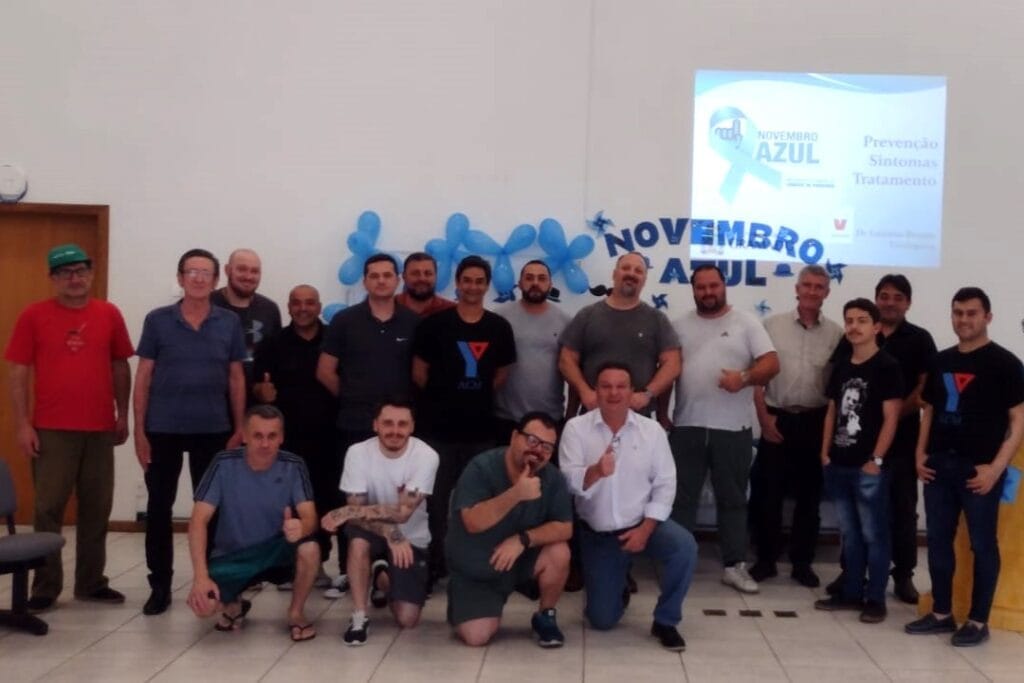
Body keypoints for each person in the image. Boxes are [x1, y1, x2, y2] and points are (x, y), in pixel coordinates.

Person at [4, 243, 134, 611]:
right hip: (51, 429)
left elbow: (120, 365)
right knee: (48, 508)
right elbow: (18, 371)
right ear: (53, 278)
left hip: (99, 428)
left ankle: (91, 582)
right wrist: (23, 424)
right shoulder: (34, 316)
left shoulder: (109, 313)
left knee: (97, 507)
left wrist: (122, 415)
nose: (74, 279)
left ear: (91, 274)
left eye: (80, 271)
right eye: (65, 273)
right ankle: (45, 586)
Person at [905, 287, 1024, 647]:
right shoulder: (940, 361)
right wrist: (920, 455)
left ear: (988, 317)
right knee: (938, 541)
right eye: (958, 313)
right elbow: (929, 411)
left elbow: (1018, 420)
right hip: (939, 466)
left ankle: (977, 621)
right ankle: (942, 614)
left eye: (971, 313)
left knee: (983, 544)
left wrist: (995, 469)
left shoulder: (1005, 363)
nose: (963, 320)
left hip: (980, 470)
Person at [134, 248, 247, 616]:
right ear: (180, 278)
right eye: (191, 272)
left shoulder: (229, 322)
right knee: (158, 508)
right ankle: (160, 586)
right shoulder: (157, 320)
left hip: (213, 429)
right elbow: (144, 376)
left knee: (212, 510)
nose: (198, 278)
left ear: (216, 280)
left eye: (205, 273)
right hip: (162, 428)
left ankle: (213, 581)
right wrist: (139, 431)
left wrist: (240, 426)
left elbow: (236, 377)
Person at [560, 362, 697, 650]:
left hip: (642, 524)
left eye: (621, 386)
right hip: (598, 534)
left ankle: (666, 620)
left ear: (632, 391)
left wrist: (646, 530)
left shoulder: (652, 431)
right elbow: (569, 481)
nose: (613, 393)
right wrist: (596, 471)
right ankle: (619, 582)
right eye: (606, 386)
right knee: (602, 620)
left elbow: (665, 484)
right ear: (595, 391)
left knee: (684, 547)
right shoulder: (576, 428)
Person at [666, 265, 778, 595]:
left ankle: (734, 566)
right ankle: (679, 563)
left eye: (713, 285)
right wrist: (661, 414)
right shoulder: (678, 326)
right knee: (681, 499)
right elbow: (668, 371)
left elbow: (771, 364)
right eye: (701, 287)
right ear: (693, 290)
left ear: (723, 285)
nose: (708, 292)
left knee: (733, 500)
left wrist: (743, 378)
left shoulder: (746, 322)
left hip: (732, 428)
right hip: (687, 425)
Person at [825, 274, 936, 604]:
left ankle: (902, 576)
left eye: (897, 297)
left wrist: (890, 413)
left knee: (901, 512)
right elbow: (837, 392)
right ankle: (851, 576)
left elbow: (926, 386)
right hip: (852, 447)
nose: (890, 302)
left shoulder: (919, 339)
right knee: (855, 521)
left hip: (899, 443)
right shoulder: (850, 342)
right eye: (884, 296)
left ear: (908, 303)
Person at [317, 253, 419, 596]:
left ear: (397, 280)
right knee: (354, 498)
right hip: (354, 423)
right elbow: (325, 371)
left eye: (387, 275)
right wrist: (351, 397)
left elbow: (420, 374)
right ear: (365, 281)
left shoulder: (412, 322)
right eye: (374, 275)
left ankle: (393, 566)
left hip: (399, 431)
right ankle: (350, 569)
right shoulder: (345, 321)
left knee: (396, 497)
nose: (381, 281)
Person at [412, 255, 516, 580]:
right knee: (436, 503)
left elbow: (501, 374)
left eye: (479, 281)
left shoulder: (498, 328)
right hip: (437, 431)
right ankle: (434, 565)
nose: (472, 287)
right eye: (467, 280)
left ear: (487, 286)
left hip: (480, 431)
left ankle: (473, 565)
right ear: (457, 284)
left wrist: (473, 395)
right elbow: (419, 373)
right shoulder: (434, 325)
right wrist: (446, 397)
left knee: (478, 502)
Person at [185, 405, 320, 642]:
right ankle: (234, 605)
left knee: (310, 548)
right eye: (258, 436)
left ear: (281, 437)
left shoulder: (294, 465)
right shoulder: (223, 463)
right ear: (245, 436)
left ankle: (296, 613)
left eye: (272, 436)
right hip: (233, 555)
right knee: (203, 607)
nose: (265, 444)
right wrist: (200, 577)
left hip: (276, 550)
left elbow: (310, 517)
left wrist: (301, 527)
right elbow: (198, 521)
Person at [749, 265, 843, 587]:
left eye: (819, 287)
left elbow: (837, 387)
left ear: (827, 292)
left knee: (809, 497)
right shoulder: (772, 326)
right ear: (797, 289)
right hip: (778, 417)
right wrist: (764, 419)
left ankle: (802, 563)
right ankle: (765, 560)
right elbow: (757, 378)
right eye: (807, 285)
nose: (812, 292)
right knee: (769, 494)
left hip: (816, 421)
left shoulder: (836, 334)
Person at [445, 411, 572, 648]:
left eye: (546, 447)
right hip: (478, 569)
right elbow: (472, 521)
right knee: (476, 637)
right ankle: (467, 602)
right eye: (532, 440)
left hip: (520, 559)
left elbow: (565, 527)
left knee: (559, 551)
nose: (538, 450)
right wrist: (516, 494)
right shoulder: (481, 468)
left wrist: (523, 540)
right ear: (514, 437)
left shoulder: (552, 477)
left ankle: (545, 615)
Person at [813, 299, 902, 624]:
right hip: (838, 462)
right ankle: (851, 592)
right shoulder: (842, 366)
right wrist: (825, 453)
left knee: (874, 534)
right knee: (849, 534)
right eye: (849, 320)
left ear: (876, 326)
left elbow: (891, 417)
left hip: (869, 467)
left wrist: (876, 459)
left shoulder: (887, 366)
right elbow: (832, 411)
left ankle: (875, 598)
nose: (853, 326)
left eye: (862, 320)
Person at [321, 401, 439, 645]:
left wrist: (348, 510)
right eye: (388, 423)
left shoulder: (426, 456)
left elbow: (403, 513)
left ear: (412, 427)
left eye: (402, 424)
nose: (395, 430)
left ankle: (380, 576)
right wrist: (389, 531)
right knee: (358, 543)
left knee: (407, 619)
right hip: (372, 530)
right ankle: (359, 616)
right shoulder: (357, 453)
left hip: (411, 536)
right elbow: (356, 516)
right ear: (375, 425)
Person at [252, 285, 338, 584]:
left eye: (309, 303)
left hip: (330, 437)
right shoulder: (273, 343)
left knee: (325, 500)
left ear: (319, 307)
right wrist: (261, 391)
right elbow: (257, 385)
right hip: (289, 440)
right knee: (288, 502)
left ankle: (319, 563)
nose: (303, 308)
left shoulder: (334, 339)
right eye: (297, 303)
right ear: (288, 307)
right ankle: (287, 566)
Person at [559, 252, 680, 418]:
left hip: (639, 418)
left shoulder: (656, 319)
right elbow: (566, 359)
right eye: (626, 268)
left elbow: (673, 363)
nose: (631, 273)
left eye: (638, 271)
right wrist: (584, 391)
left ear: (644, 280)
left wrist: (647, 394)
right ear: (614, 274)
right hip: (592, 416)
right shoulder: (587, 316)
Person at [493, 260, 570, 441]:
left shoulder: (565, 322)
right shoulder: (499, 318)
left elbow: (572, 369)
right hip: (505, 419)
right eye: (529, 278)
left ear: (550, 284)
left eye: (542, 278)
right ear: (519, 284)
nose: (535, 283)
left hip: (549, 419)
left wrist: (571, 416)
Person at [211, 248, 282, 392]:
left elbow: (275, 358)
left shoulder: (270, 309)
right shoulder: (206, 304)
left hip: (256, 400)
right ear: (227, 270)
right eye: (242, 269)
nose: (248, 276)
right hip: (213, 398)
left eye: (254, 271)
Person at [396, 252, 456, 317]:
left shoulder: (452, 311)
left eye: (428, 273)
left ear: (436, 276)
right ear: (404, 276)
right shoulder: (391, 306)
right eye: (415, 273)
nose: (422, 279)